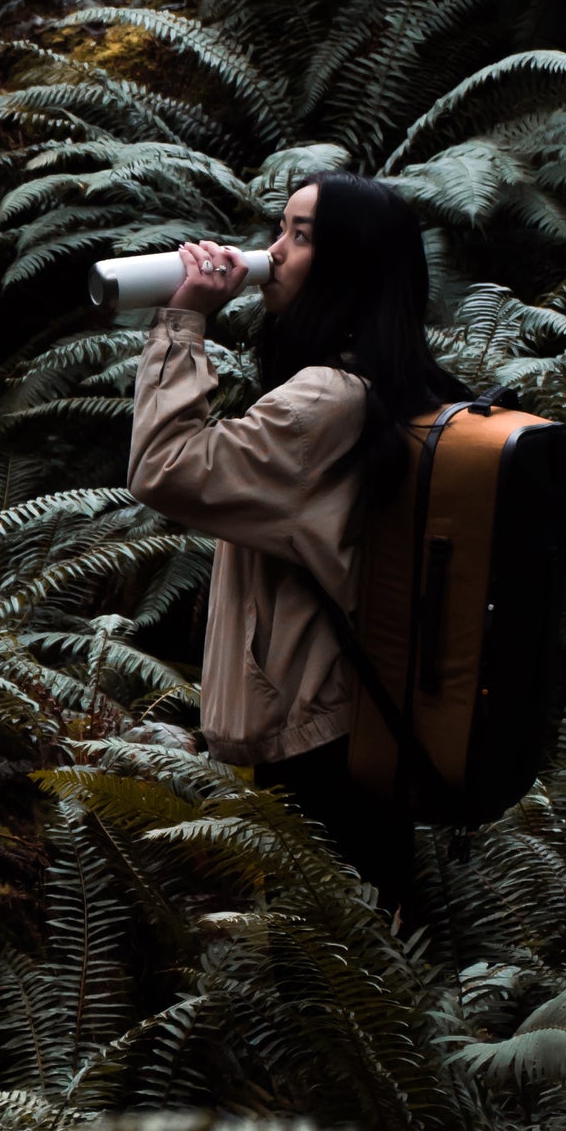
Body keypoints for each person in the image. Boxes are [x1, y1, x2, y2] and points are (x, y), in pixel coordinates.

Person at [126, 171, 469, 916]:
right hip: (359, 720)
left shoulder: (328, 398)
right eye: (280, 229)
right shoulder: (386, 388)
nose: (273, 254)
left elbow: (164, 469)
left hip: (321, 744)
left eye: (300, 235)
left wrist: (185, 324)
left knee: (329, 978)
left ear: (351, 263)